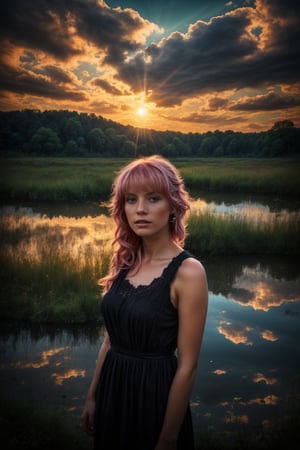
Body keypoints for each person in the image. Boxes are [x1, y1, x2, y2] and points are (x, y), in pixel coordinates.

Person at [81, 155, 208, 450]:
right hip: (113, 390)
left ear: (173, 205)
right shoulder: (126, 261)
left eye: (153, 199)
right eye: (131, 199)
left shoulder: (188, 272)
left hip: (154, 395)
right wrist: (92, 395)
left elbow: (188, 366)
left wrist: (168, 438)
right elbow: (110, 340)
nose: (140, 209)